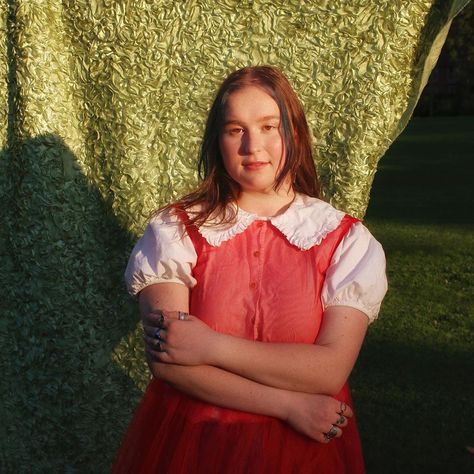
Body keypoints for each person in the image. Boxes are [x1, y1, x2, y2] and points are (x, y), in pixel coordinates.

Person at [112, 65, 387, 474]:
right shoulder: (175, 229)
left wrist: (210, 347)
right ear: (217, 140)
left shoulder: (345, 240)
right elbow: (169, 360)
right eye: (235, 129)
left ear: (294, 131)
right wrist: (290, 403)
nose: (252, 146)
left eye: (268, 126)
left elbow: (329, 371)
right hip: (195, 444)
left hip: (302, 454)